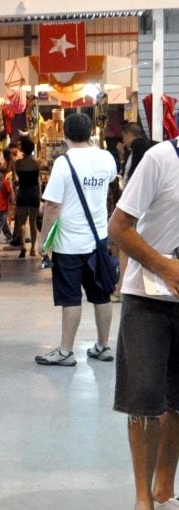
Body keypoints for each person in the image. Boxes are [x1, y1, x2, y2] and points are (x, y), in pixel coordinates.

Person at [108, 136, 179, 510]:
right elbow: (118, 228)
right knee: (146, 397)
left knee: (178, 399)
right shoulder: (160, 159)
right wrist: (164, 266)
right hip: (148, 298)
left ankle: (164, 490)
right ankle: (142, 498)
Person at [35, 113, 117, 367]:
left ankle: (65, 351)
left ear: (65, 135)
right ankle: (103, 346)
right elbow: (111, 183)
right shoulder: (106, 158)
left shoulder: (64, 163)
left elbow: (52, 206)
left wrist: (42, 241)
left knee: (70, 298)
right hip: (98, 241)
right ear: (91, 131)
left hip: (69, 244)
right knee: (102, 295)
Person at [112, 123, 157, 302]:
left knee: (123, 244)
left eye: (124, 137)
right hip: (150, 206)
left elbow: (129, 177)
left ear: (129, 135)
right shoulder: (154, 147)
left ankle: (121, 288)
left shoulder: (137, 149)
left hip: (134, 207)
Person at [10, 136, 41, 257]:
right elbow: (37, 181)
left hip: (22, 193)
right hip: (33, 194)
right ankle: (33, 248)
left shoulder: (18, 163)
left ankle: (23, 246)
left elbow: (16, 179)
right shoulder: (37, 162)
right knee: (33, 223)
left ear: (22, 148)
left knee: (22, 222)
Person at [0, 147, 15, 243]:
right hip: (2, 204)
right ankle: (9, 236)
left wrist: (13, 200)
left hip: (4, 205)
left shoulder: (5, 181)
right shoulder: (3, 180)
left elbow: (10, 191)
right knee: (2, 222)